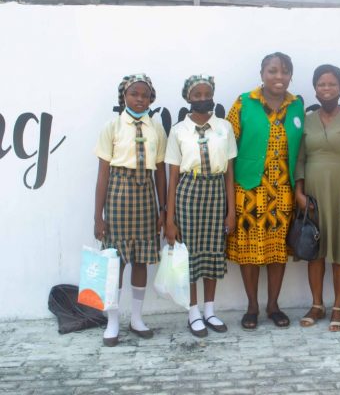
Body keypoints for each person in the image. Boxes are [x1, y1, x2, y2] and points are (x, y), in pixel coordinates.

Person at [226, 52, 304, 330]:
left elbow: (301, 152)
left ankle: (273, 305)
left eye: (284, 71)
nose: (278, 77)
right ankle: (252, 307)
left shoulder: (296, 105)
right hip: (249, 191)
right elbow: (228, 152)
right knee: (249, 251)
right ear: (262, 74)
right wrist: (228, 199)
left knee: (277, 251)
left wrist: (300, 189)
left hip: (283, 192)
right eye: (272, 71)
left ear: (290, 75)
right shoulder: (243, 103)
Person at [94, 74, 167, 347]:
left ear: (151, 99)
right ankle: (113, 321)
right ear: (124, 96)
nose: (140, 99)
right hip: (118, 195)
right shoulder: (112, 126)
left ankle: (136, 318)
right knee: (116, 262)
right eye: (134, 93)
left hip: (145, 195)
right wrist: (98, 216)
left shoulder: (156, 128)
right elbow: (103, 173)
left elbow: (160, 171)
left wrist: (163, 209)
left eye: (145, 95)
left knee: (140, 260)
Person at [164, 75, 237, 337]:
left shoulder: (224, 127)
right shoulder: (178, 131)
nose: (203, 99)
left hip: (216, 191)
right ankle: (193, 312)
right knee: (191, 255)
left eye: (207, 94)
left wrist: (231, 211)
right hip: (188, 191)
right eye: (197, 95)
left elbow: (229, 173)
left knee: (213, 253)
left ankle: (210, 310)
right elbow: (173, 177)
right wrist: (169, 219)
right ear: (188, 98)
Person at [295, 64, 340, 332]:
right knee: (313, 251)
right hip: (312, 197)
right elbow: (300, 160)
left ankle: (338, 307)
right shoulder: (307, 121)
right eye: (321, 84)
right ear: (315, 88)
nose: (326, 89)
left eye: (332, 84)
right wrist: (299, 193)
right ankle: (316, 305)